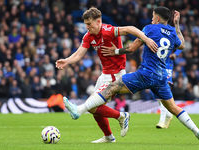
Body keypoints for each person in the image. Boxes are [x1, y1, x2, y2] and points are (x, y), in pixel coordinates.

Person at [62, 7, 199, 141]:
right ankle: (196, 131)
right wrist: (176, 24)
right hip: (161, 77)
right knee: (174, 108)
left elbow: (132, 48)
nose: (151, 19)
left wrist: (117, 51)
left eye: (152, 17)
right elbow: (182, 45)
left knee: (112, 87)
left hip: (145, 74)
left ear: (157, 18)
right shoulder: (172, 32)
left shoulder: (150, 29)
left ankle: (81, 110)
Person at [55, 7, 157, 143]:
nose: (87, 27)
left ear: (98, 22)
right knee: (93, 108)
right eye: (85, 24)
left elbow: (130, 28)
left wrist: (146, 39)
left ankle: (86, 111)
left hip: (116, 76)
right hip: (105, 75)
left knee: (92, 104)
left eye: (89, 24)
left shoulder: (109, 30)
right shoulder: (88, 36)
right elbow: (79, 54)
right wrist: (66, 61)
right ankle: (109, 135)